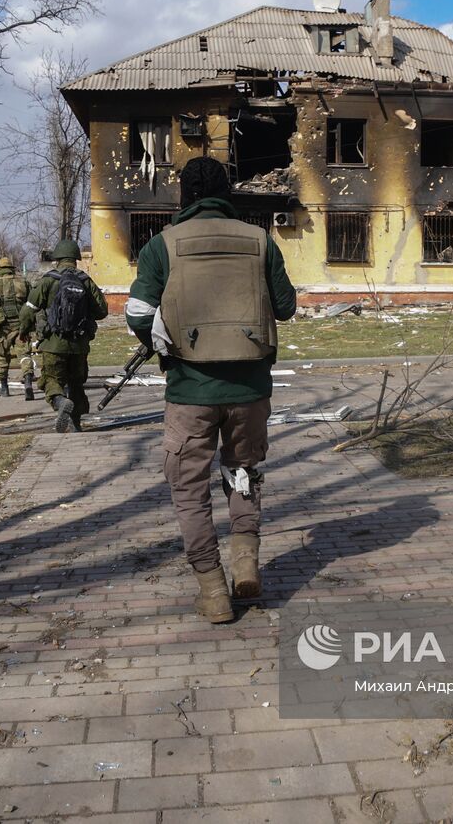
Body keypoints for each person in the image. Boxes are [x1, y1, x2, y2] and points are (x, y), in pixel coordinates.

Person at [125, 157, 297, 623]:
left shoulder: (162, 246)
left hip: (190, 394)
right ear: (227, 192)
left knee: (190, 492)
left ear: (184, 196)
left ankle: (214, 592)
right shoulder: (261, 241)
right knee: (241, 474)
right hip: (250, 392)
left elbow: (137, 313)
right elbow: (285, 308)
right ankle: (246, 564)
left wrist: (166, 346)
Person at [21, 238, 108, 433]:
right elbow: (102, 311)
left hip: (53, 344)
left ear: (57, 258)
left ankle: (60, 402)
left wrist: (23, 330)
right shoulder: (85, 280)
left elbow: (28, 310)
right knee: (76, 383)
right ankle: (75, 424)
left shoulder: (47, 280)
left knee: (51, 380)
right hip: (79, 345)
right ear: (76, 258)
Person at [0, 256, 30, 398]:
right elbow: (32, 303)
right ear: (11, 269)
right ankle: (28, 384)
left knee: (2, 357)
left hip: (2, 328)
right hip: (21, 327)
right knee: (25, 355)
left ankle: (4, 388)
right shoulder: (23, 282)